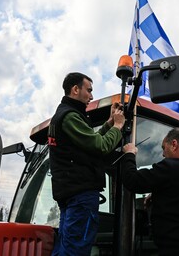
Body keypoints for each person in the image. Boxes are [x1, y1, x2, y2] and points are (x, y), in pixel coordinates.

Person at [48, 72, 125, 256]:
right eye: (89, 90)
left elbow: (91, 142)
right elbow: (102, 146)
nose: (91, 96)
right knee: (76, 250)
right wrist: (118, 126)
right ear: (75, 89)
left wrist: (108, 122)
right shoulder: (70, 117)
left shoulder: (65, 116)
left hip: (70, 194)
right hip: (81, 195)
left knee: (66, 248)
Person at [121, 127, 179, 256]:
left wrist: (129, 154)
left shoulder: (171, 167)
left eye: (163, 148)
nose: (163, 154)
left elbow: (132, 181)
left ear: (174, 144)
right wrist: (157, 194)